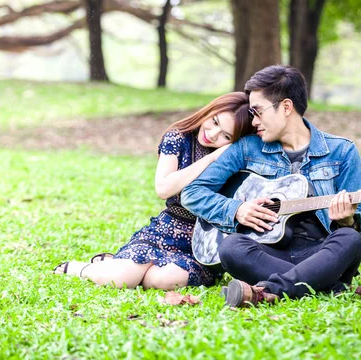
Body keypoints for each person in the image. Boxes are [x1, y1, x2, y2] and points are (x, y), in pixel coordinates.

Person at [181, 65, 361, 307]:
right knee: (230, 247)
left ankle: (266, 292)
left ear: (286, 107)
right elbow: (192, 193)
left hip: (320, 253)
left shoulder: (342, 151)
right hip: (265, 252)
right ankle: (335, 289)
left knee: (349, 241)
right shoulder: (247, 148)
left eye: (257, 112)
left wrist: (345, 221)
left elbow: (360, 224)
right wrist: (236, 209)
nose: (254, 121)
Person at [54, 92, 255, 290]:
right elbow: (164, 188)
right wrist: (211, 158)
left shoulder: (237, 156)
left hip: (204, 243)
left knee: (162, 280)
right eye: (215, 122)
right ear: (209, 111)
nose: (212, 134)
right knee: (120, 279)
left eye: (225, 136)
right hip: (166, 231)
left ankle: (119, 264)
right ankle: (86, 269)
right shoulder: (178, 138)